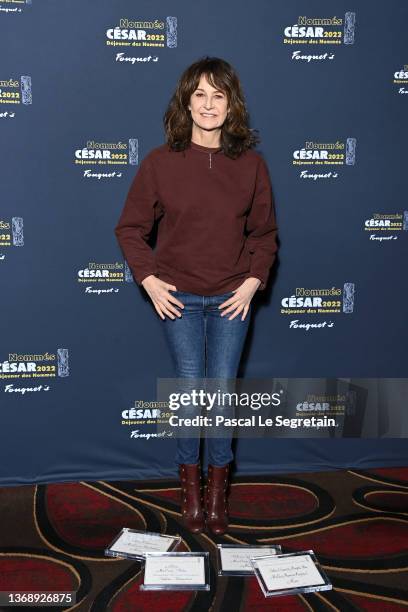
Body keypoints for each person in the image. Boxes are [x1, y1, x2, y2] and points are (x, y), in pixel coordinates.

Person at [114, 56, 278, 536]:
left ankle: (216, 494)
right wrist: (148, 278)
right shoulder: (160, 162)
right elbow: (129, 228)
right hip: (179, 299)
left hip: (231, 299)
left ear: (231, 104)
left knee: (221, 394)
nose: (208, 105)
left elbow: (264, 234)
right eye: (200, 95)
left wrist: (251, 282)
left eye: (218, 96)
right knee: (191, 394)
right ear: (187, 102)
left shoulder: (251, 165)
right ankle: (189, 491)